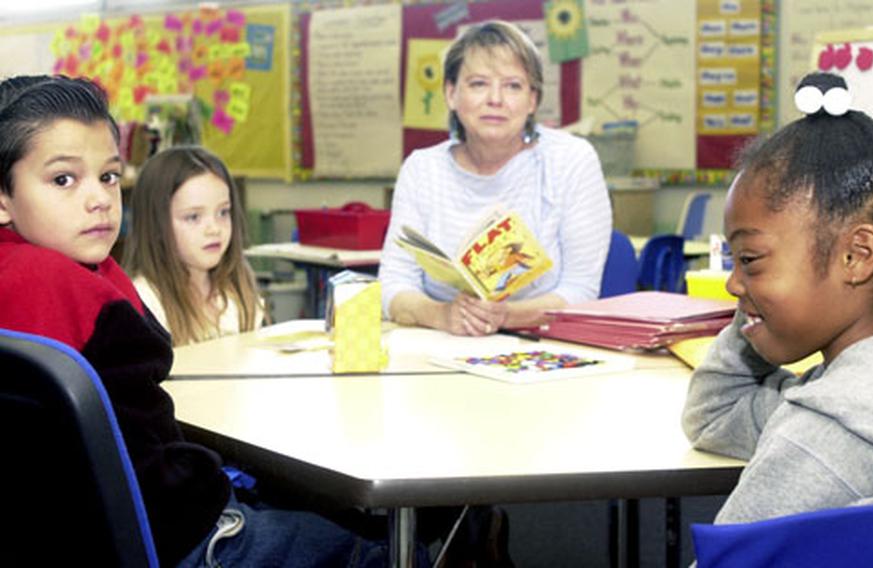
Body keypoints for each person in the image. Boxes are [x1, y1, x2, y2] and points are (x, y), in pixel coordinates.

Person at [0, 75, 417, 567]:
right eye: (63, 180)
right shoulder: (75, 290)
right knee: (377, 549)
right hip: (179, 541)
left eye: (109, 176)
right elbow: (148, 461)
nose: (99, 199)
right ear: (3, 197)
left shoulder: (36, 268)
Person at [681, 72, 873, 526]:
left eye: (748, 258)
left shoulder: (819, 436)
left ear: (857, 255)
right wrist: (755, 297)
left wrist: (755, 297)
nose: (731, 284)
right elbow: (716, 414)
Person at [379, 20, 611, 336]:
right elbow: (394, 285)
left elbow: (581, 289)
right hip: (441, 345)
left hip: (541, 348)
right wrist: (444, 315)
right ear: (451, 93)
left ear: (532, 100)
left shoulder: (571, 161)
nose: (496, 99)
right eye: (478, 84)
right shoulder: (422, 169)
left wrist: (506, 316)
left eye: (513, 85)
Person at [123, 145, 265, 346]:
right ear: (156, 225)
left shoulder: (237, 290)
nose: (214, 229)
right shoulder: (145, 302)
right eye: (193, 217)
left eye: (223, 212)